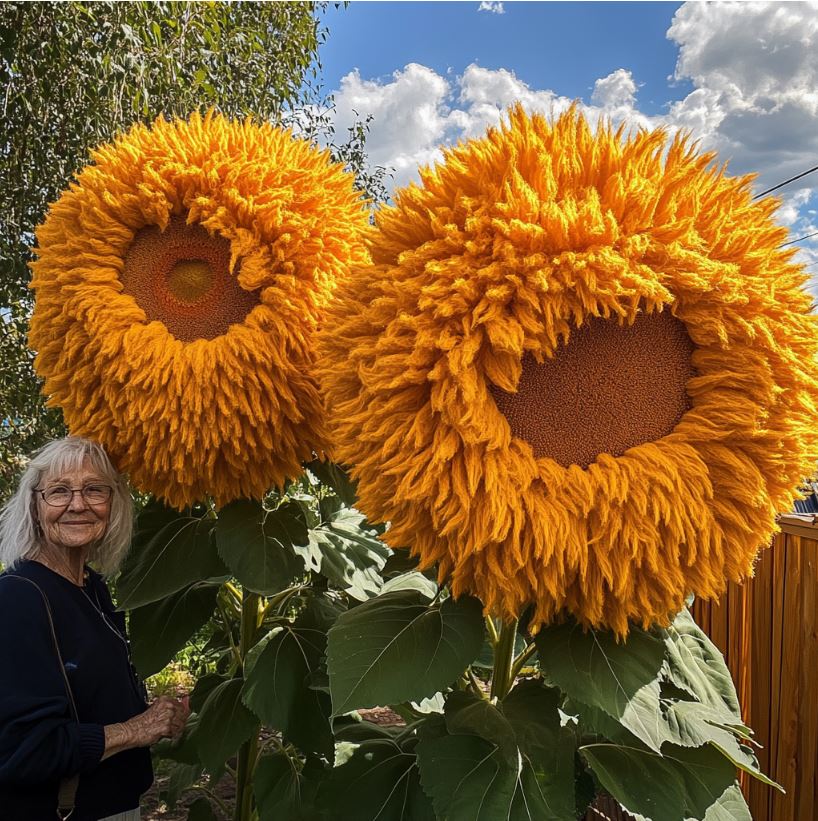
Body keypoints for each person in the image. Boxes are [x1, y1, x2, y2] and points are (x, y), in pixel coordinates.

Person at [0, 436, 190, 820]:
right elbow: (22, 748)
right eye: (58, 491)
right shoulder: (17, 598)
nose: (78, 503)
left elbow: (88, 697)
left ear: (113, 503)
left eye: (94, 489)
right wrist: (136, 729)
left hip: (114, 806)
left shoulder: (91, 587)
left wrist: (158, 716)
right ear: (35, 507)